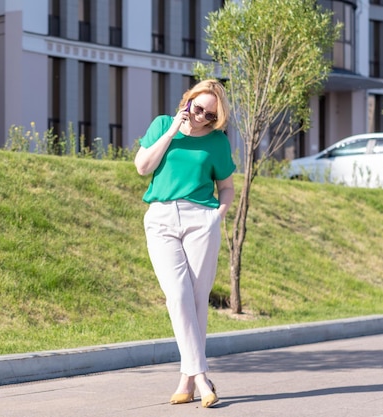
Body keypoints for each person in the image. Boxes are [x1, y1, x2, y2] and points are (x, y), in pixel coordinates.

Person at [134, 79, 235, 408]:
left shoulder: (218, 142)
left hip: (200, 220)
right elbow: (142, 167)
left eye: (210, 115)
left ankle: (186, 380)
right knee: (177, 295)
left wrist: (216, 217)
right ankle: (203, 378)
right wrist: (173, 130)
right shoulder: (163, 124)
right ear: (188, 101)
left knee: (195, 299)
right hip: (161, 218)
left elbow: (228, 187)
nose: (202, 117)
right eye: (198, 108)